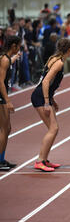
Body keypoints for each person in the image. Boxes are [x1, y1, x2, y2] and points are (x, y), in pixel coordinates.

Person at [31, 38, 70, 172]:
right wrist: (47, 102)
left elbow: (48, 82)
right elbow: (46, 82)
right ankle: (39, 161)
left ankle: (44, 160)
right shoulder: (59, 63)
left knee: (54, 128)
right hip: (40, 97)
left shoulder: (54, 58)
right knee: (53, 129)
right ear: (69, 50)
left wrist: (52, 100)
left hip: (43, 95)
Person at [0, 35, 21, 170]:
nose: (19, 48)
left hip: (2, 96)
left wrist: (13, 59)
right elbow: (0, 81)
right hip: (1, 97)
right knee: (4, 129)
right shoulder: (4, 60)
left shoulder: (7, 59)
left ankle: (1, 159)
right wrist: (7, 100)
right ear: (13, 46)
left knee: (7, 129)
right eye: (18, 46)